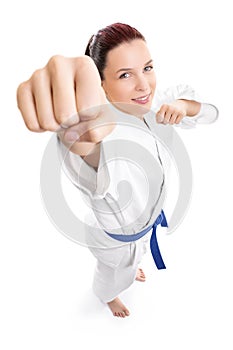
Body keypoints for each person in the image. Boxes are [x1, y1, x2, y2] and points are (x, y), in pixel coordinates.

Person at [17, 23, 218, 318]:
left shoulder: (159, 103)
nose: (144, 86)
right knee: (115, 276)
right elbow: (91, 164)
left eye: (147, 68)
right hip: (115, 239)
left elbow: (213, 113)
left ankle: (133, 264)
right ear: (99, 84)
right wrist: (77, 135)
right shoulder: (99, 134)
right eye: (125, 75)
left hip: (146, 227)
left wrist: (185, 106)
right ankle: (107, 297)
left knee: (137, 258)